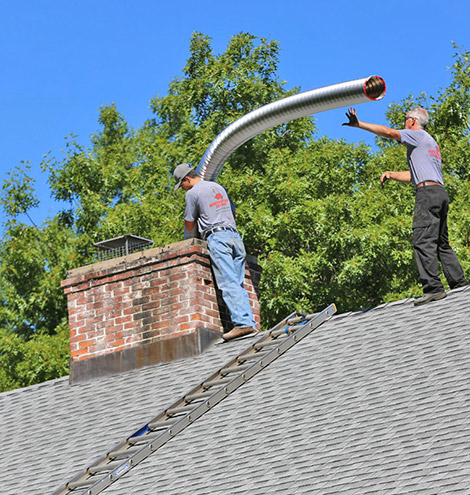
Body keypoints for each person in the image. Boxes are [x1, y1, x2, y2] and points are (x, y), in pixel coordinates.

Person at [343, 107, 468, 306]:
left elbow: (389, 132)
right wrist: (391, 174)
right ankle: (460, 285)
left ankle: (433, 288)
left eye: (405, 120)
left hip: (427, 195)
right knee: (441, 243)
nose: (403, 124)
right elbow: (415, 176)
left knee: (422, 239)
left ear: (412, 121)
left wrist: (359, 124)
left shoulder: (417, 135)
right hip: (439, 194)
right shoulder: (430, 143)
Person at [173, 163, 258, 339]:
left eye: (181, 184)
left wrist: (191, 234)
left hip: (217, 238)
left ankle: (242, 324)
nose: (182, 188)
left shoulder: (192, 193)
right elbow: (233, 214)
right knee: (237, 282)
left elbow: (189, 222)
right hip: (235, 237)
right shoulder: (218, 187)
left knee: (227, 282)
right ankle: (250, 323)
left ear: (187, 179)